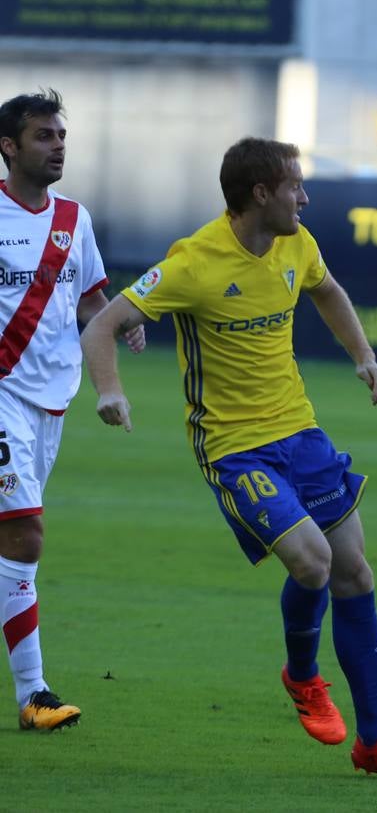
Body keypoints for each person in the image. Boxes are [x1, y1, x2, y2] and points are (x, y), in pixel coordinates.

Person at [79, 139, 377, 781]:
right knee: (313, 562)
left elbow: (328, 291)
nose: (305, 196)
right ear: (260, 194)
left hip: (301, 433)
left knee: (355, 573)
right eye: (295, 185)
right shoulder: (193, 261)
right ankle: (303, 675)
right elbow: (101, 323)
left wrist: (364, 356)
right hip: (234, 446)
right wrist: (110, 390)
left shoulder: (298, 243)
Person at [0, 89, 146, 730]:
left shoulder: (73, 219)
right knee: (25, 533)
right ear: (9, 148)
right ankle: (34, 695)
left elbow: (90, 300)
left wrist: (120, 322)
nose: (59, 144)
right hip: (1, 393)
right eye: (44, 136)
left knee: (12, 539)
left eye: (61, 134)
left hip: (50, 403)